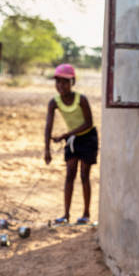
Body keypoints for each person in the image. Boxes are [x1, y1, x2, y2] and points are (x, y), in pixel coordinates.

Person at [44, 63, 98, 225]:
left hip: (87, 138)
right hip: (72, 140)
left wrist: (66, 135)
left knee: (84, 175)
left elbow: (89, 123)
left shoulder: (81, 99)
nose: (61, 86)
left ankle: (86, 214)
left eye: (65, 82)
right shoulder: (54, 102)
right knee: (69, 175)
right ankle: (66, 215)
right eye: (58, 82)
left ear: (72, 82)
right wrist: (47, 150)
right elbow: (48, 126)